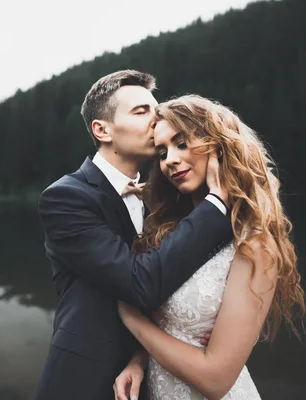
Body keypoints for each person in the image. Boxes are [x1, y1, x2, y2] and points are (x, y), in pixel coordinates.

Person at [33, 71, 235, 399]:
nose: (155, 121)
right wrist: (216, 205)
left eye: (157, 112)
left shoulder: (166, 196)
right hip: (84, 382)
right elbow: (141, 285)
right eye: (141, 112)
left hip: (150, 373)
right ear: (102, 129)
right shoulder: (66, 197)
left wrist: (141, 356)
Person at [113, 95, 306, 400]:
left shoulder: (254, 243)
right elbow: (167, 325)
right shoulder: (169, 231)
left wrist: (132, 320)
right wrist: (138, 361)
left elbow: (216, 379)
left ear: (217, 147)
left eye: (181, 143)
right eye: (162, 152)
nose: (169, 160)